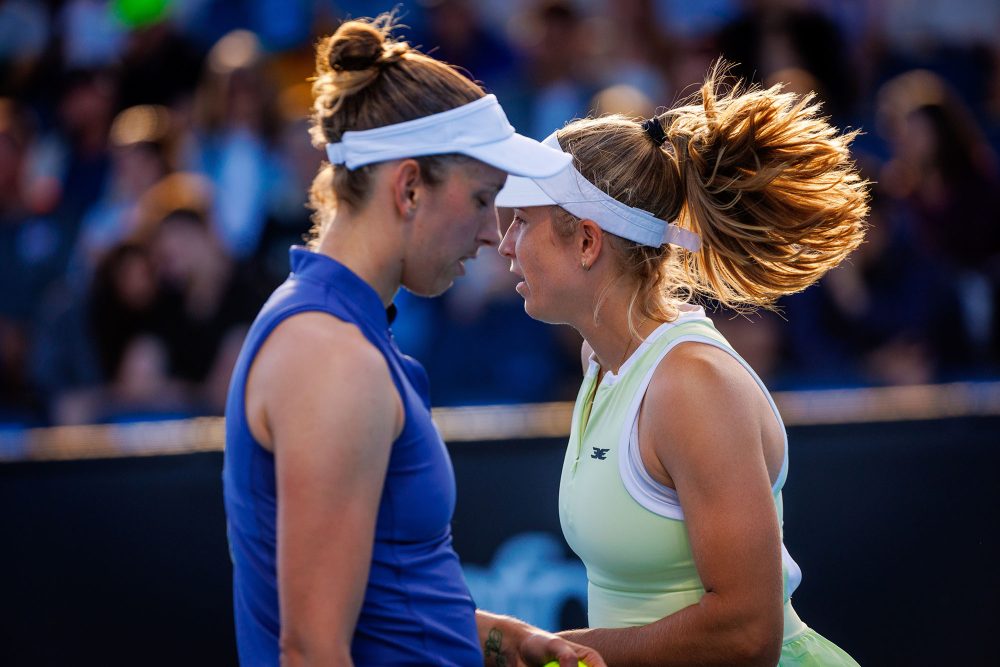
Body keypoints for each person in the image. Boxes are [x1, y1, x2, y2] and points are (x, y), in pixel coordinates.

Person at [222, 14, 606, 667]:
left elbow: (379, 593)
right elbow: (313, 649)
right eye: (483, 199)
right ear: (407, 187)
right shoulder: (331, 357)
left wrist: (490, 634)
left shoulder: (337, 338)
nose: (493, 233)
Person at [495, 63, 869, 665]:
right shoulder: (604, 359)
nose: (505, 244)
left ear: (588, 242)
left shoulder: (691, 386)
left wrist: (550, 651)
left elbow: (749, 635)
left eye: (521, 221)